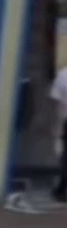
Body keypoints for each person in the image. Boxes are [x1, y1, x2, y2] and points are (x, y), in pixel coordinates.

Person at [48, 65, 67, 202]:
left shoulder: (63, 75)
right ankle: (61, 189)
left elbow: (57, 104)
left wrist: (57, 125)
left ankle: (61, 190)